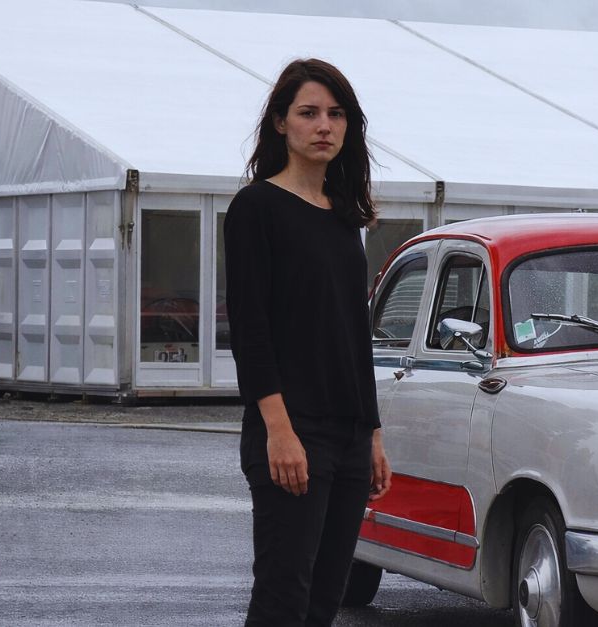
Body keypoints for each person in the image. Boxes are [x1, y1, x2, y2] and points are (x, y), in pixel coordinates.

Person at [224, 58, 392, 627]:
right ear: (279, 123)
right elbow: (250, 332)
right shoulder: (256, 209)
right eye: (309, 113)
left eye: (336, 114)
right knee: (282, 597)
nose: (325, 125)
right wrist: (278, 430)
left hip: (346, 437)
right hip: (292, 431)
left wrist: (370, 433)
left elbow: (354, 336)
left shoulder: (345, 219)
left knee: (325, 600)